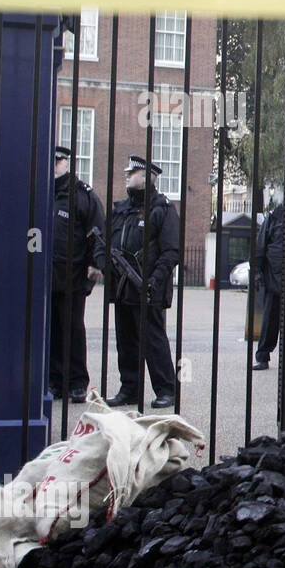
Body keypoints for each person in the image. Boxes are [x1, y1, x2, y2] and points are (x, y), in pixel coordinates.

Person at [105, 155, 180, 409]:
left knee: (153, 340)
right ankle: (129, 389)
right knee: (126, 341)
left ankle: (167, 389)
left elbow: (171, 251)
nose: (127, 175)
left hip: (149, 288)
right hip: (123, 287)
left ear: (148, 176)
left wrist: (154, 279)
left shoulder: (162, 208)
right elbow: (106, 244)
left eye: (132, 172)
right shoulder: (121, 208)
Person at [50, 145, 105, 403]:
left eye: (58, 160)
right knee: (50, 330)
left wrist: (96, 264)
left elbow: (98, 231)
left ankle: (77, 382)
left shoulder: (83, 195)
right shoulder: (43, 190)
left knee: (72, 329)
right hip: (45, 275)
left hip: (71, 274)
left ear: (67, 163)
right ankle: (54, 380)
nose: (54, 165)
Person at [252, 200, 285, 370]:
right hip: (274, 276)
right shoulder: (274, 217)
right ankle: (263, 356)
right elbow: (260, 245)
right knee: (270, 320)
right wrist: (257, 272)